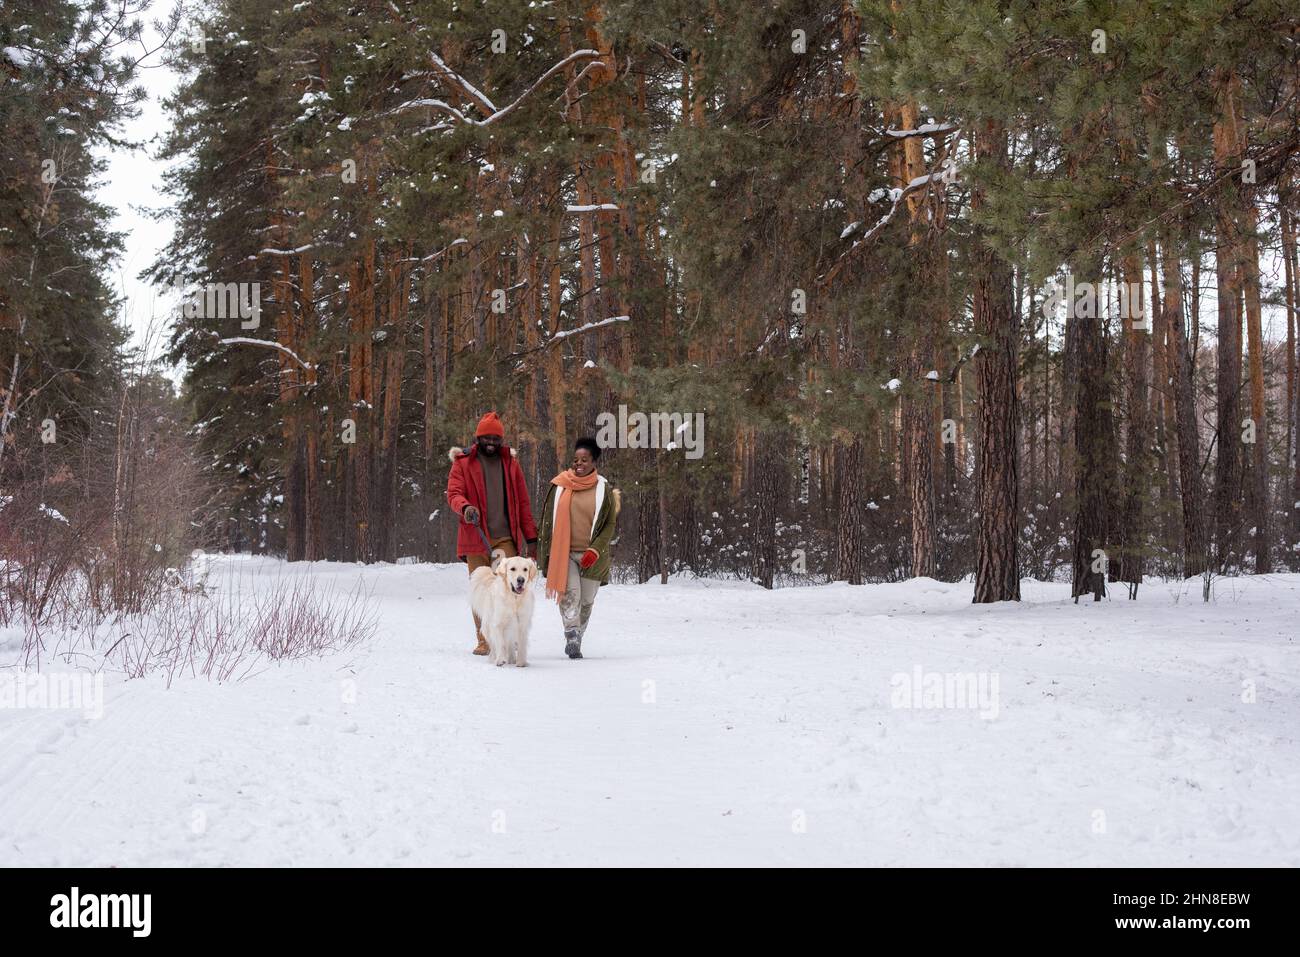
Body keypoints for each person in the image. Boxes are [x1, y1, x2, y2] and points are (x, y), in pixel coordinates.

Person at [446, 411, 538, 655]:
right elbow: (454, 494)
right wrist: (465, 508)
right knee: (481, 589)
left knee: (509, 586)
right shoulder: (462, 462)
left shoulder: (510, 464)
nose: (490, 443)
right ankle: (484, 639)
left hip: (505, 537)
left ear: (501, 440)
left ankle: (511, 637)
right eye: (485, 438)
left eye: (495, 439)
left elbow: (523, 502)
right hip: (475, 537)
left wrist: (531, 537)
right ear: (477, 438)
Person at [536, 437, 620, 659]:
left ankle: (578, 634)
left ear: (594, 462)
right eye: (576, 460)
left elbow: (609, 524)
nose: (579, 464)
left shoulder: (604, 489)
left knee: (586, 601)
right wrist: (543, 553)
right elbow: (547, 521)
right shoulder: (560, 485)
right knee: (570, 595)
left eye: (584, 460)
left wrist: (596, 550)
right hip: (564, 553)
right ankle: (571, 634)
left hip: (593, 555)